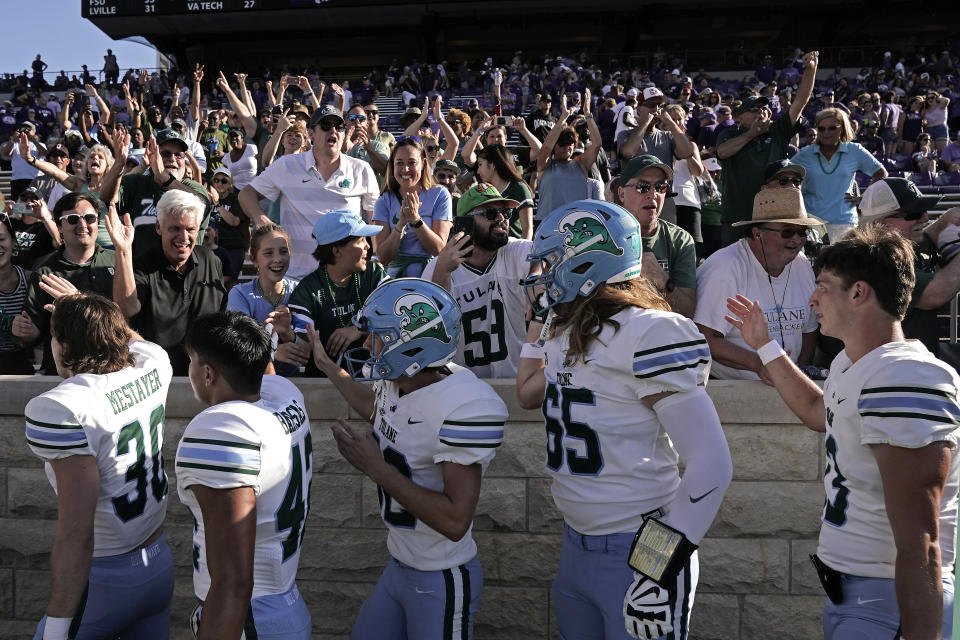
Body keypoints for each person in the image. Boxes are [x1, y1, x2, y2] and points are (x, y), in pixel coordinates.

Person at [725, 225, 960, 640]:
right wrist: (765, 346)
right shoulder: (856, 364)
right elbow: (819, 411)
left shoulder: (905, 376)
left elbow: (921, 542)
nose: (811, 298)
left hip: (888, 600)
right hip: (858, 595)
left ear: (859, 294)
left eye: (823, 287)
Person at [515, 200, 732, 640]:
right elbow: (528, 394)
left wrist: (655, 569)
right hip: (576, 544)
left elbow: (712, 464)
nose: (544, 273)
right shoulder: (565, 329)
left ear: (589, 260)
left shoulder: (649, 332)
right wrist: (537, 332)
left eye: (554, 259)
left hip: (637, 546)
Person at [307, 277, 507, 640]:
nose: (368, 346)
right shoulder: (402, 380)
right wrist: (327, 367)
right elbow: (378, 409)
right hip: (400, 565)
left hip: (440, 575)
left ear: (413, 346)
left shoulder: (461, 405)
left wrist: (375, 468)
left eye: (379, 336)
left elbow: (454, 519)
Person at [25, 293, 174, 640]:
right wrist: (97, 312)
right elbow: (137, 343)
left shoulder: (62, 406)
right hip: (158, 563)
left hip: (104, 580)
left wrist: (58, 629)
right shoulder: (153, 363)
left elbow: (77, 534)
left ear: (64, 344)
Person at [177, 311, 312, 639]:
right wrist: (263, 340)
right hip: (283, 603)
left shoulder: (221, 428)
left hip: (247, 617)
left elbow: (233, 583)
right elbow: (267, 373)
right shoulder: (285, 396)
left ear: (208, 373)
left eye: (193, 361)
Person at [239, 105, 379, 280]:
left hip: (345, 280)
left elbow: (375, 217)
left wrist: (376, 257)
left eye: (339, 127)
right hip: (296, 280)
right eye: (326, 126)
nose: (333, 130)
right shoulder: (287, 165)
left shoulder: (361, 169)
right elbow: (246, 194)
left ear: (343, 134)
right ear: (311, 134)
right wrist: (260, 218)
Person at [694, 188, 820, 380]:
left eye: (802, 231)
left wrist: (798, 378)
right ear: (757, 233)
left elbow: (809, 331)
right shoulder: (725, 269)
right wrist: (761, 365)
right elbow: (704, 339)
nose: (797, 239)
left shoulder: (801, 264)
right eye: (787, 232)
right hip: (732, 392)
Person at [108, 189, 227, 375]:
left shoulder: (211, 261)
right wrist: (122, 250)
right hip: (155, 379)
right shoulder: (142, 267)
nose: (184, 237)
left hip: (206, 378)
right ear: (158, 227)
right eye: (175, 228)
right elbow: (126, 308)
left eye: (190, 229)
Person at [424, 183, 535, 378]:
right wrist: (442, 273)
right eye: (491, 213)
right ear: (464, 223)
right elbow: (430, 331)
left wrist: (536, 276)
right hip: (464, 388)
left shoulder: (514, 251)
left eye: (506, 213)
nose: (501, 219)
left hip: (514, 383)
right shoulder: (437, 267)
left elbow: (546, 253)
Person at [716, 51, 819, 244]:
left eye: (764, 108)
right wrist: (751, 134)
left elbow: (800, 103)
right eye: (754, 109)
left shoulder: (777, 131)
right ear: (739, 117)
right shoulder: (730, 133)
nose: (761, 112)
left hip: (773, 218)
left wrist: (811, 70)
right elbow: (722, 152)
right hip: (737, 217)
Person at [857, 177, 960, 357]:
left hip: (905, 366)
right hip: (886, 373)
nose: (925, 217)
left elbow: (928, 236)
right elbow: (934, 294)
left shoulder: (903, 244)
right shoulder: (873, 257)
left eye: (923, 210)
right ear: (881, 224)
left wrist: (945, 221)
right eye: (913, 214)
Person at [282, 210, 387, 376]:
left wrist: (359, 329)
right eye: (360, 240)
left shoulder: (374, 274)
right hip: (326, 385)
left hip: (376, 378)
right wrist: (285, 332)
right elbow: (303, 346)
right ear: (337, 251)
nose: (368, 245)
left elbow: (400, 316)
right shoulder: (308, 291)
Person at [21, 192, 116, 375]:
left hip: (111, 369)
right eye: (72, 219)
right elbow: (34, 329)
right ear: (59, 227)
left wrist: (78, 301)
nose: (82, 225)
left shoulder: (119, 261)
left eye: (89, 218)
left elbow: (128, 316)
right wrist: (26, 330)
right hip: (63, 373)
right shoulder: (45, 271)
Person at [103, 128, 212, 259]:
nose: (172, 159)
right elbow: (107, 197)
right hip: (142, 275)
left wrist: (165, 177)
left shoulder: (192, 188)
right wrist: (119, 163)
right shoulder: (137, 183)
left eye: (179, 155)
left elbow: (202, 205)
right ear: (152, 155)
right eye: (166, 154)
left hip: (185, 275)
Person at [618, 155, 697, 318]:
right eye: (642, 186)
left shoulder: (680, 240)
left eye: (660, 187)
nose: (653, 194)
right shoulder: (603, 238)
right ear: (621, 194)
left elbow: (688, 311)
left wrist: (663, 281)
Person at [791, 108, 886, 241]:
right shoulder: (806, 153)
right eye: (821, 128)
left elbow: (881, 173)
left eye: (832, 128)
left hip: (845, 223)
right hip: (812, 223)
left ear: (842, 128)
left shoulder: (854, 150)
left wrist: (865, 198)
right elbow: (785, 176)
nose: (826, 133)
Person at [372, 137, 453, 278]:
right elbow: (383, 257)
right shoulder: (384, 201)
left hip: (431, 276)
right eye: (399, 163)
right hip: (397, 279)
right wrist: (400, 225)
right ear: (393, 166)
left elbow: (439, 249)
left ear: (423, 163)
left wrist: (416, 220)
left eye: (411, 163)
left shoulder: (440, 195)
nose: (405, 169)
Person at [536, 95, 602, 222]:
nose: (567, 147)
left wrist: (588, 114)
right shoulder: (545, 165)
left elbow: (597, 144)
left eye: (570, 143)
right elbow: (545, 148)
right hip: (548, 223)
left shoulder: (581, 163)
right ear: (555, 146)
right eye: (562, 143)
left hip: (576, 225)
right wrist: (563, 118)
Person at [474, 144, 535, 239]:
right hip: (491, 249)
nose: (478, 171)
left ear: (493, 165)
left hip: (514, 248)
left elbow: (527, 229)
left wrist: (521, 253)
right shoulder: (484, 190)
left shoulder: (518, 188)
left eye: (480, 164)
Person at [0, 214, 33, 374]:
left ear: (13, 242)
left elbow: (37, 333)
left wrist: (27, 332)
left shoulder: (29, 280)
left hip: (20, 366)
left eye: (1, 239)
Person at [207, 167, 249, 287]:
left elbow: (234, 221)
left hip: (233, 247)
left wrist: (217, 204)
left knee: (229, 282)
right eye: (216, 180)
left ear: (230, 183)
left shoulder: (236, 199)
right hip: (213, 248)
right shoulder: (206, 200)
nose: (219, 183)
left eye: (224, 181)